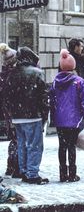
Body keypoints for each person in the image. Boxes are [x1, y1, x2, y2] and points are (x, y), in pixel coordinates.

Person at [3, 47, 50, 185]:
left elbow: (6, 96)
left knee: (22, 144)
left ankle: (23, 171)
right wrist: (44, 114)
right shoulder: (36, 73)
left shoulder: (13, 73)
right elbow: (43, 96)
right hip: (33, 115)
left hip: (17, 116)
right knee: (34, 145)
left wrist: (11, 113)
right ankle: (32, 174)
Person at [49, 49, 84, 182]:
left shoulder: (56, 82)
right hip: (74, 120)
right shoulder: (79, 81)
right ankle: (72, 173)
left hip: (60, 120)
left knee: (62, 146)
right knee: (71, 146)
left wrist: (53, 116)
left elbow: (52, 100)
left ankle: (63, 173)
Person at [0, 43, 21, 178]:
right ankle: (15, 166)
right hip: (14, 111)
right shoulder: (13, 75)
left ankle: (10, 166)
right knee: (17, 139)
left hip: (7, 111)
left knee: (14, 139)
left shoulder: (3, 75)